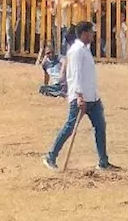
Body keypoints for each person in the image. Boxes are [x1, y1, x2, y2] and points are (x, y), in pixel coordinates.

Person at [43, 21, 120, 171]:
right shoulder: (77, 51)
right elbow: (76, 75)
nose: (93, 34)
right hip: (80, 97)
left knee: (100, 127)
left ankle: (103, 161)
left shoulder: (85, 49)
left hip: (92, 97)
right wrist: (79, 96)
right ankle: (51, 156)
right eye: (91, 32)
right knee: (69, 127)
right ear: (84, 33)